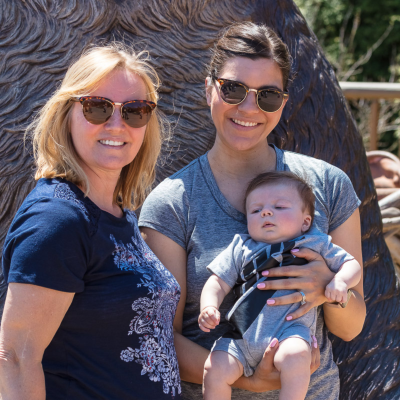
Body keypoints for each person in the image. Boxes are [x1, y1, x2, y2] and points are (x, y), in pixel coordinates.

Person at [139, 22, 366, 399]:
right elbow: (161, 341)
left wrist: (326, 287)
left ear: (283, 103)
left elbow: (350, 327)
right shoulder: (171, 203)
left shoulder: (328, 184)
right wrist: (250, 380)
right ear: (209, 87)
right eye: (233, 89)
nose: (249, 107)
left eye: (268, 96)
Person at [0, 45, 182, 399]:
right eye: (97, 107)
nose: (117, 124)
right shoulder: (57, 219)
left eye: (135, 111)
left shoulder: (117, 214)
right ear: (66, 113)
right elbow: (15, 359)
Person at [199, 171, 361, 400]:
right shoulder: (241, 247)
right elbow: (217, 281)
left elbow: (352, 265)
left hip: (290, 331)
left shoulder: (315, 242)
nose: (266, 211)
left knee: (296, 357)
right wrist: (209, 307)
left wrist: (340, 281)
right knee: (214, 367)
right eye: (255, 210)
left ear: (306, 222)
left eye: (280, 207)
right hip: (242, 335)